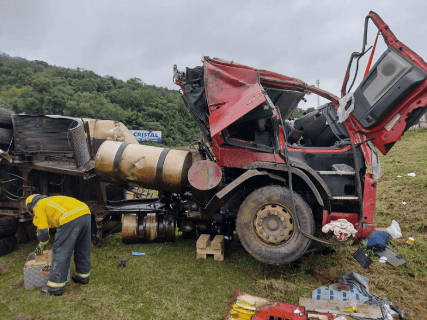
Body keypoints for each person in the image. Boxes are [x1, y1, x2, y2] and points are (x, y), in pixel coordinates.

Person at [26, 194, 92, 296]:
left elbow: (43, 231)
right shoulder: (51, 200)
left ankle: (55, 286)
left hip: (70, 216)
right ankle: (83, 276)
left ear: (30, 206)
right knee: (82, 246)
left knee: (61, 250)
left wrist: (41, 244)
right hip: (85, 212)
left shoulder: (38, 205)